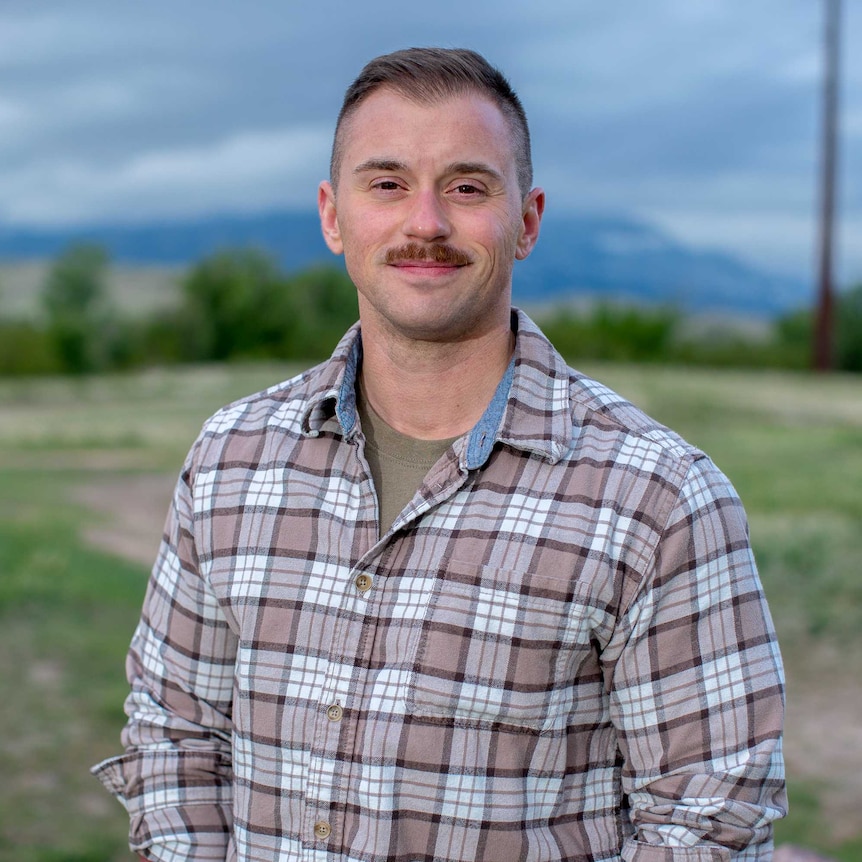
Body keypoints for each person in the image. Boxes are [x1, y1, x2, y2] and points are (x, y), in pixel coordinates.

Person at [93, 47, 786, 861]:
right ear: (332, 215)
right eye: (387, 184)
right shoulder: (230, 459)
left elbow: (707, 820)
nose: (425, 222)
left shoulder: (659, 498)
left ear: (526, 221)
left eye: (466, 186)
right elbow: (177, 739)